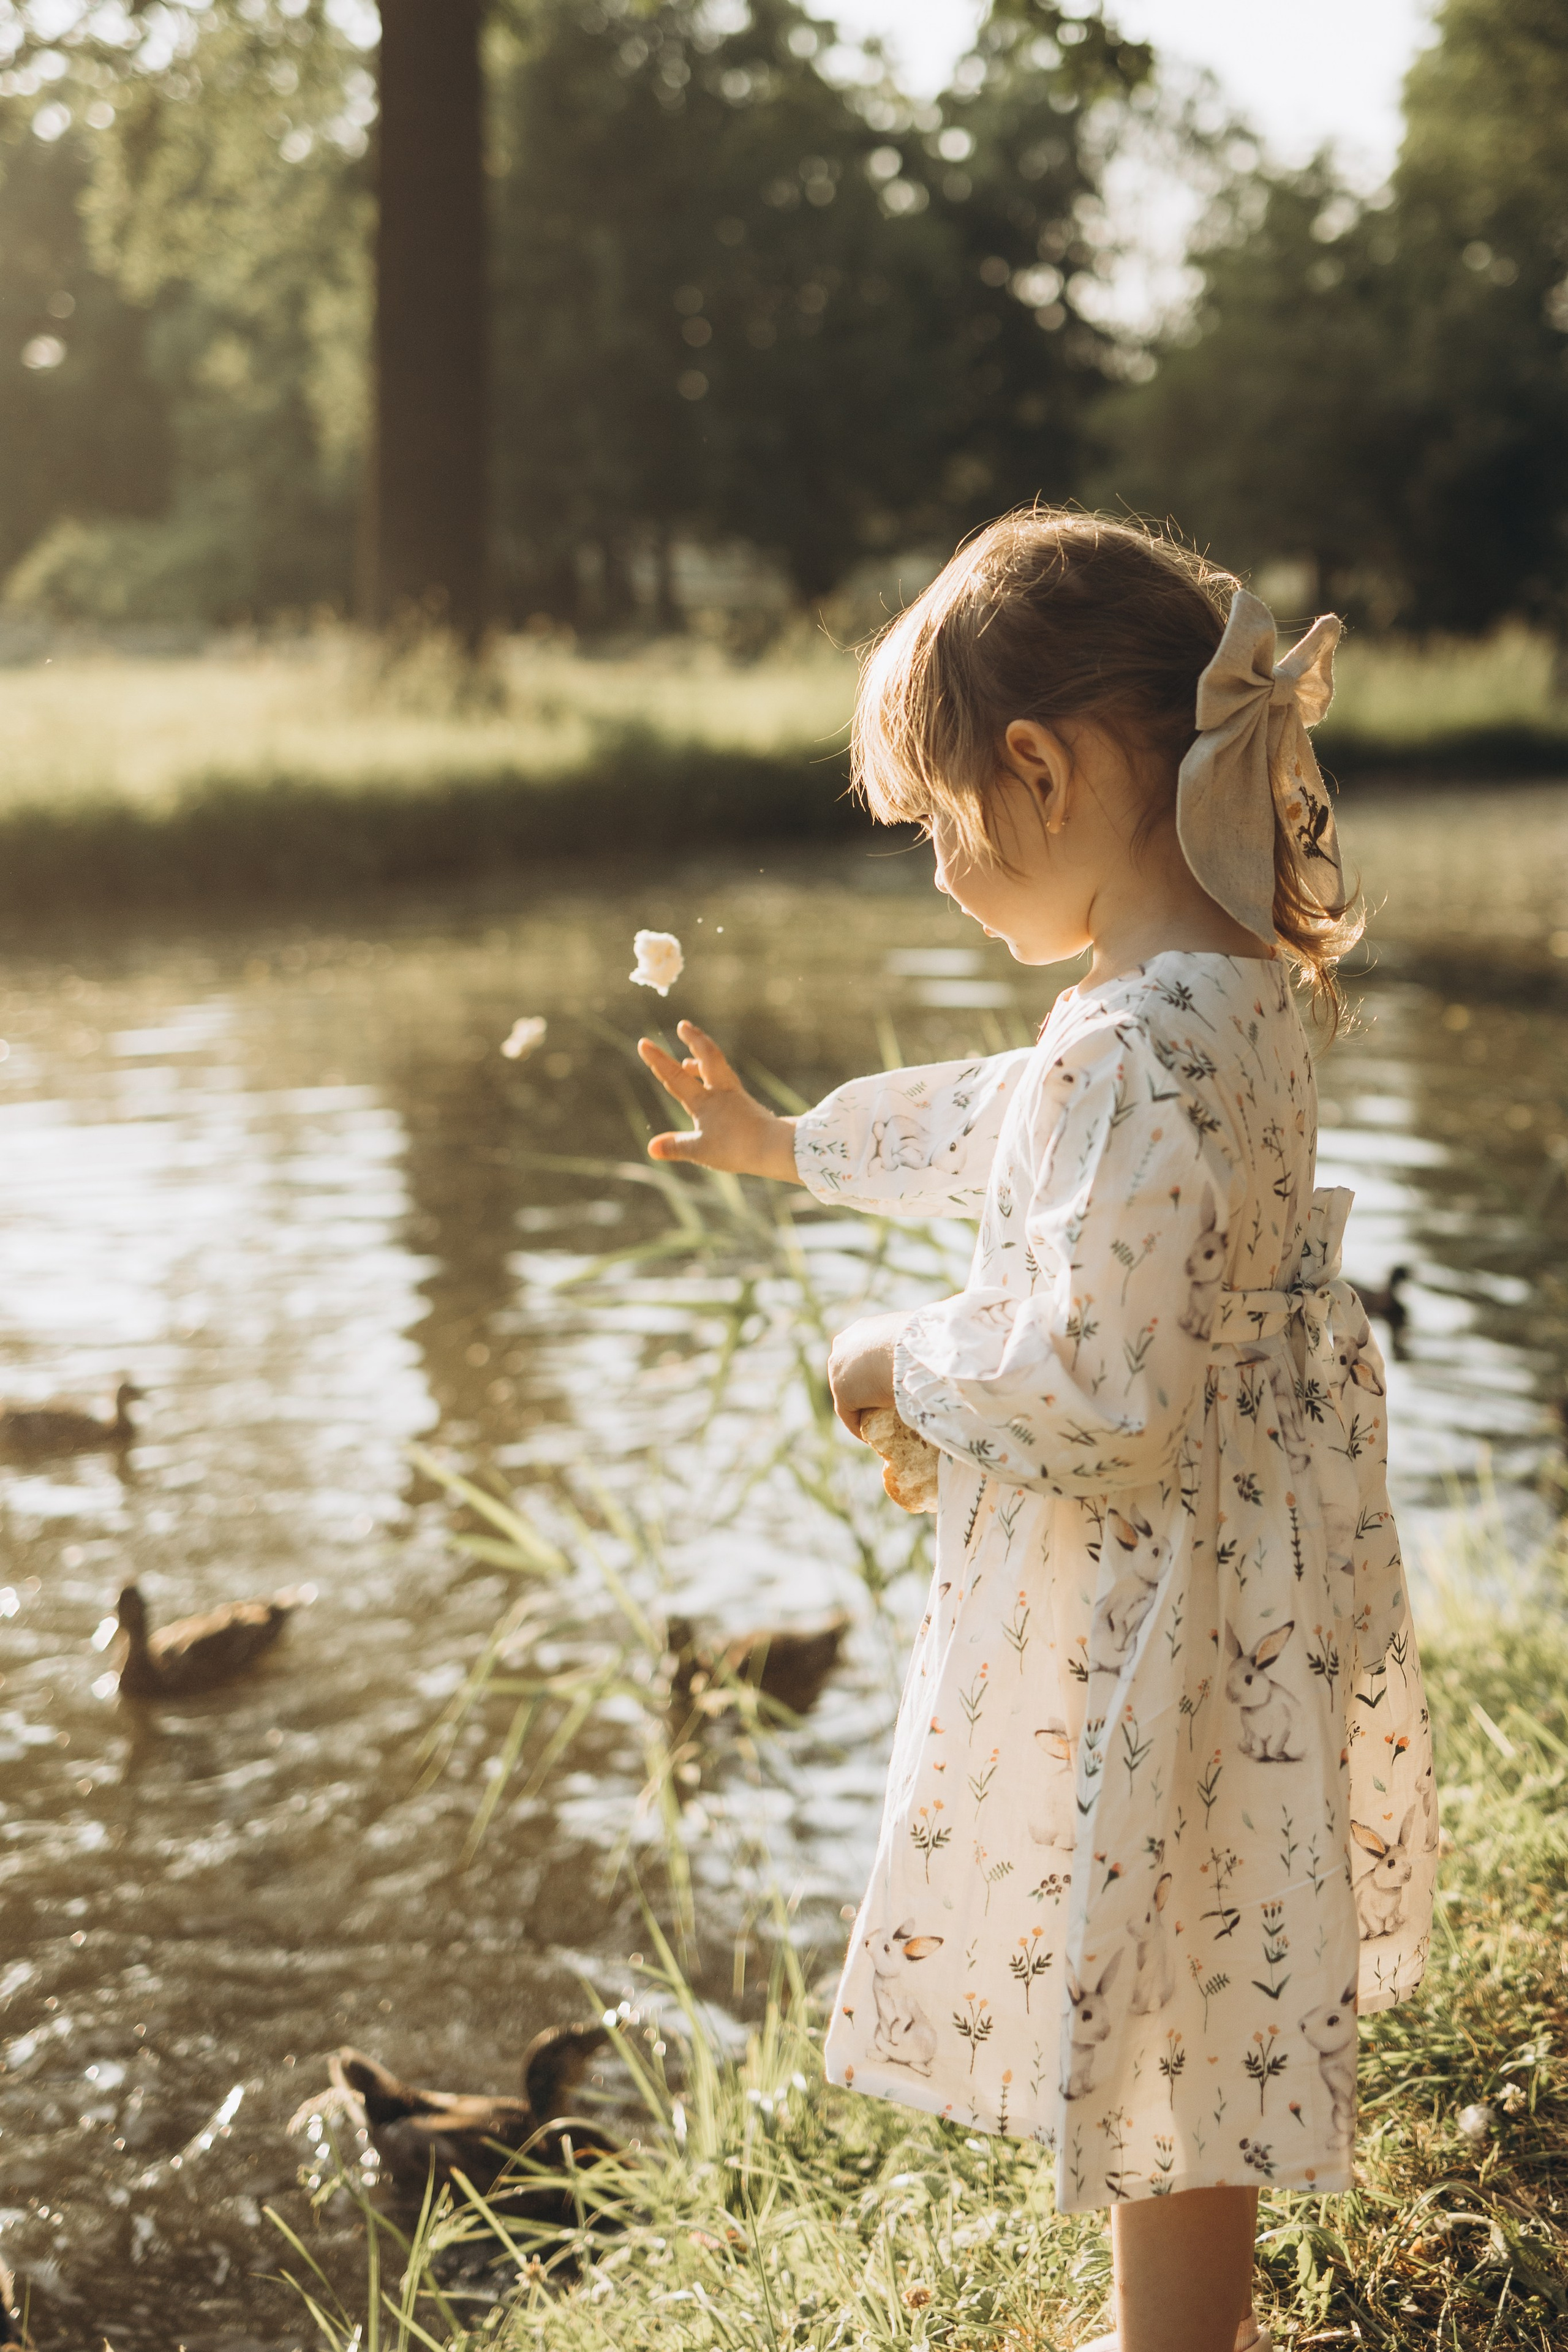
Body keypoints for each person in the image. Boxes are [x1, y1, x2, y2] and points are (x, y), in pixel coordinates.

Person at [638, 511, 1434, 2352]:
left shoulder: (1122, 1043)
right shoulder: (1242, 993)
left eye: (935, 825)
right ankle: (1179, 2337)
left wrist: (886, 1363)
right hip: (1256, 1590)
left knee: (1151, 1967)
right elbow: (1007, 1124)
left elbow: (1098, 1396)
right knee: (1197, 1977)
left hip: (1158, 1601)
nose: (936, 870)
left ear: (1042, 768)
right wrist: (797, 1146)